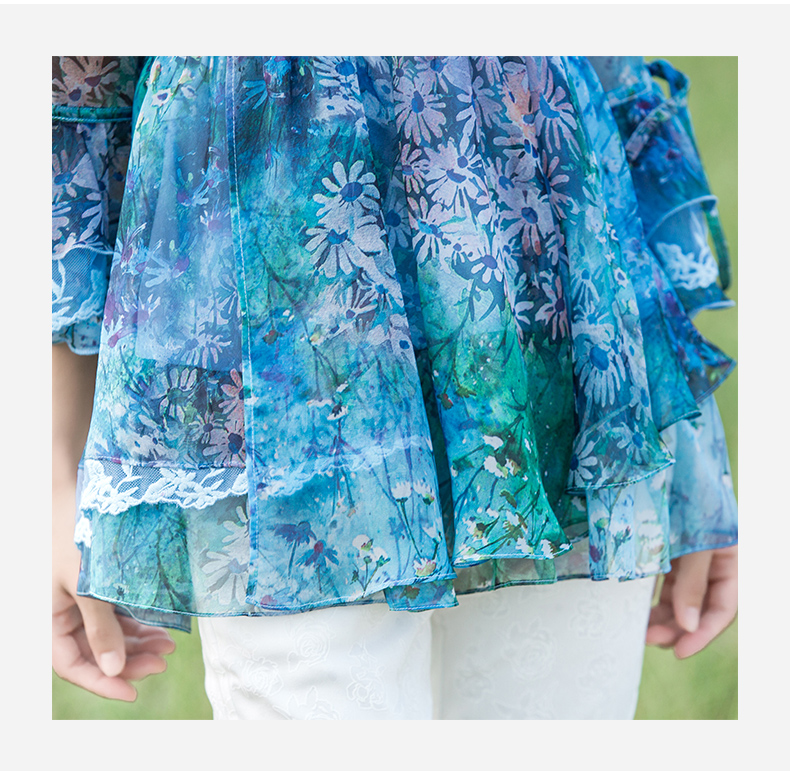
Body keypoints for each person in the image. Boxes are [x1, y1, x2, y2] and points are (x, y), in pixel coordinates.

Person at [52, 56, 738, 719]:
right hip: (277, 307)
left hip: (542, 278)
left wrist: (689, 444)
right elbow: (76, 77)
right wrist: (51, 467)